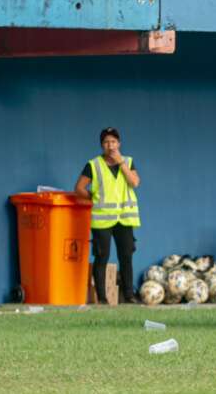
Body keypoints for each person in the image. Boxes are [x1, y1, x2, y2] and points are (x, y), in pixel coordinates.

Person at [74, 127, 142, 304]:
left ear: (119, 144)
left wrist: (121, 163)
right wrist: (94, 197)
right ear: (101, 145)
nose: (110, 145)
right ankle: (102, 299)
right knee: (102, 257)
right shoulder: (93, 164)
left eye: (113, 141)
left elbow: (134, 182)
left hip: (125, 218)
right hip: (102, 218)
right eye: (106, 142)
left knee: (126, 256)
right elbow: (79, 189)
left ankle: (129, 296)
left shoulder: (128, 161)